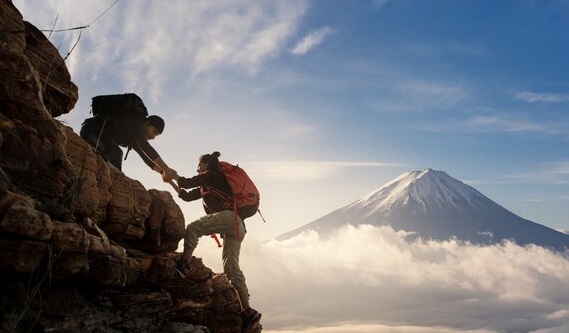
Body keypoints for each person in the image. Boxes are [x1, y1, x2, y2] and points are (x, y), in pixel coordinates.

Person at [174, 151, 261, 333]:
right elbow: (187, 195)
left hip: (230, 219)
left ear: (207, 165)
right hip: (238, 226)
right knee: (232, 269)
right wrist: (172, 184)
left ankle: (183, 265)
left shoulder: (213, 175)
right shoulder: (209, 184)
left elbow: (186, 182)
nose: (198, 169)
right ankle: (247, 311)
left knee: (192, 228)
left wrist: (171, 174)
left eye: (199, 166)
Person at [80, 114, 176, 181]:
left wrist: (162, 172)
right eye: (154, 131)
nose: (153, 137)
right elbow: (146, 148)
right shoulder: (135, 125)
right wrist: (166, 169)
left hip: (99, 137)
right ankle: (116, 184)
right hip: (90, 130)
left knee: (110, 156)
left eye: (156, 135)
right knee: (117, 153)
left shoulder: (133, 138)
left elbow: (146, 158)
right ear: (146, 124)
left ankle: (109, 182)